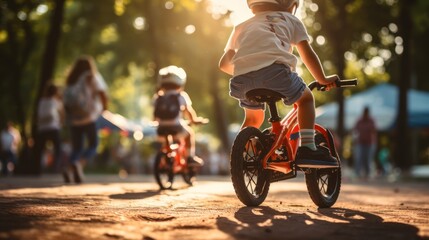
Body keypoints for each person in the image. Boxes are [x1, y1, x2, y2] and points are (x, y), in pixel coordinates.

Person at [219, 0, 339, 168]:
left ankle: (242, 157)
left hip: (241, 80)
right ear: (290, 4)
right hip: (276, 74)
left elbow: (224, 64)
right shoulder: (291, 20)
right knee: (306, 100)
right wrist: (323, 79)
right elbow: (307, 54)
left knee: (253, 118)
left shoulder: (241, 26)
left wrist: (249, 68)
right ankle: (307, 148)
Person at [63, 56, 108, 183]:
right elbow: (102, 93)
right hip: (89, 116)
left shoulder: (71, 78)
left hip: (73, 118)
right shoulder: (91, 76)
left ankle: (68, 168)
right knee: (93, 144)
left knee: (76, 147)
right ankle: (79, 164)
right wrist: (105, 109)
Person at [153, 65, 206, 167]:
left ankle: (165, 159)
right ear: (179, 83)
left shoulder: (158, 97)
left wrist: (156, 122)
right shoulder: (180, 96)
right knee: (189, 133)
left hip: (161, 128)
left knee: (166, 140)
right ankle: (190, 157)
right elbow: (188, 111)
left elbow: (155, 114)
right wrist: (194, 120)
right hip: (176, 126)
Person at [35, 83, 64, 174]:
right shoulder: (55, 101)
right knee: (58, 149)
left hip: (42, 128)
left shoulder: (42, 101)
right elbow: (62, 114)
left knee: (40, 149)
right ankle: (55, 168)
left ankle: (38, 169)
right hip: (53, 127)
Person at [353, 106, 377, 179]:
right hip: (360, 143)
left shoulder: (371, 121)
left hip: (369, 143)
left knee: (368, 159)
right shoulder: (359, 121)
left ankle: (368, 174)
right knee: (359, 158)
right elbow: (355, 130)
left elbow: (374, 131)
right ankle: (357, 173)